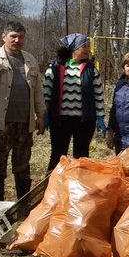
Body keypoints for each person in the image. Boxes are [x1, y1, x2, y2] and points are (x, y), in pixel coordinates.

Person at [0, 21, 45, 202]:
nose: (17, 40)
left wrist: (40, 115)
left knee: (23, 165)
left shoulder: (30, 59)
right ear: (4, 37)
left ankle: (21, 205)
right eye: (13, 36)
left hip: (24, 123)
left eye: (21, 37)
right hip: (0, 124)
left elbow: (38, 90)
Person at [43, 33, 104, 171]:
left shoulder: (91, 69)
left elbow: (98, 94)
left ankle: (80, 187)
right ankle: (52, 187)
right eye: (85, 46)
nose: (88, 49)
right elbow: (46, 92)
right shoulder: (55, 67)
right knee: (58, 155)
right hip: (60, 121)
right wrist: (45, 113)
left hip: (84, 122)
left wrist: (100, 116)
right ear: (74, 49)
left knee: (81, 157)